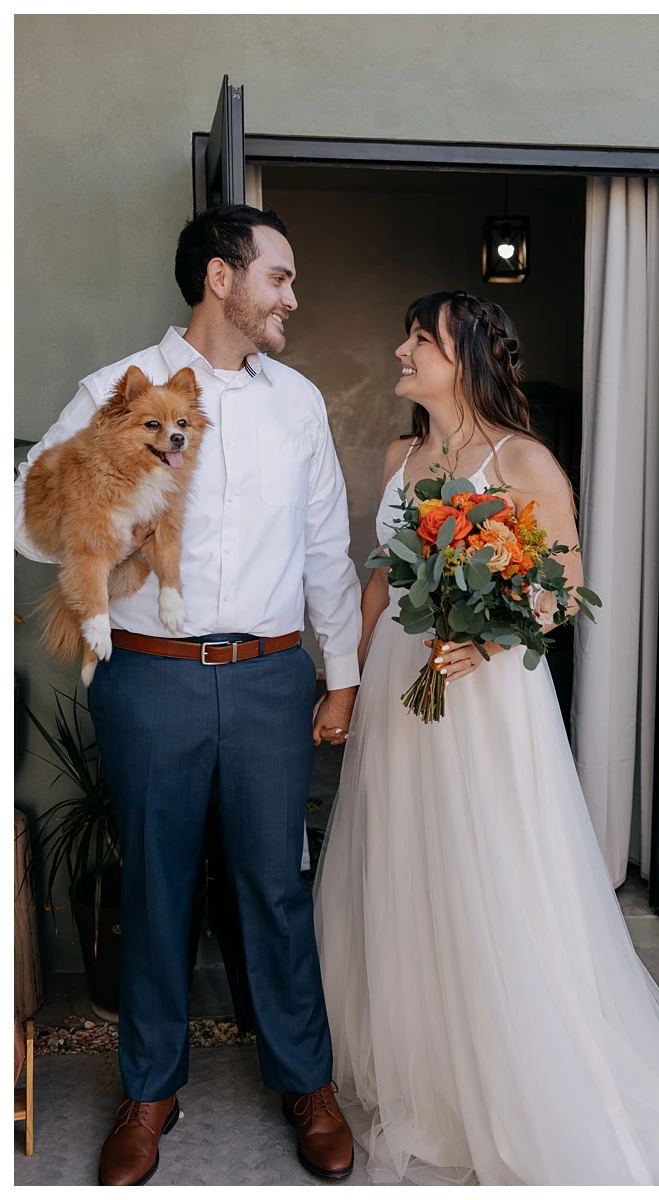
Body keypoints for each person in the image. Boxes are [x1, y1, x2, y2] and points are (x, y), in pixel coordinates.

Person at [312, 291, 659, 1184]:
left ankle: (518, 1081)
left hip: (488, 702)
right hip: (397, 689)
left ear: (466, 360)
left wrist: (489, 631)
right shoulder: (399, 454)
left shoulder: (523, 460)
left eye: (421, 339)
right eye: (408, 335)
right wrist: (343, 687)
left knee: (491, 872)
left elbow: (563, 590)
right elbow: (377, 580)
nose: (401, 350)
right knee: (406, 868)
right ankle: (426, 1079)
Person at [14, 204, 361, 1185]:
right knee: (156, 891)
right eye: (279, 278)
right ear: (221, 278)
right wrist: (99, 527)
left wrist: (342, 678)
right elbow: (28, 517)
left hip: (268, 680)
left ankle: (308, 1080)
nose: (291, 296)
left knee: (275, 889)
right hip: (149, 681)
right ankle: (150, 1091)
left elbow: (326, 550)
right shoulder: (114, 390)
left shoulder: (298, 402)